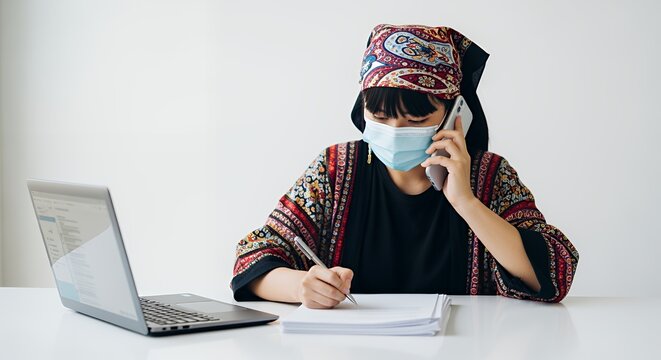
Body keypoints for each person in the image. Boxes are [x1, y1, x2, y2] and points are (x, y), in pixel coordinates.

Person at [230, 24, 579, 308]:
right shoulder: (335, 169)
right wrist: (300, 288)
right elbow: (253, 257)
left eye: (416, 119)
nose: (395, 132)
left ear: (454, 114)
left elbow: (555, 271)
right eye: (379, 117)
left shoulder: (489, 176)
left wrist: (466, 203)